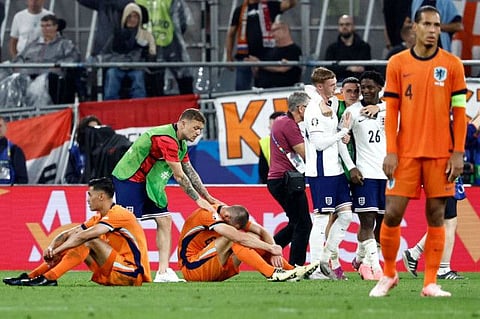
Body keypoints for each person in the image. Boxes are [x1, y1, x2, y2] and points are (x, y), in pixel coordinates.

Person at [369, 6, 467, 297]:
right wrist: (391, 151)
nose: (433, 30)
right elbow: (392, 110)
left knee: (437, 216)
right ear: (415, 28)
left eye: (437, 25)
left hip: (440, 155)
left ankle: (430, 283)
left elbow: (459, 114)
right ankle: (388, 274)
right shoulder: (397, 63)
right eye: (427, 24)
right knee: (392, 215)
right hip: (407, 154)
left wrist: (458, 152)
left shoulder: (453, 65)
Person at [112, 108, 222, 283]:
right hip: (129, 178)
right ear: (183, 124)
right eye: (195, 128)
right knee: (126, 225)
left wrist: (208, 197)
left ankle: (162, 272)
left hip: (148, 181)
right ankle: (120, 266)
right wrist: (197, 200)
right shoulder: (167, 139)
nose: (198, 133)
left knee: (165, 220)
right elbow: (179, 176)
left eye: (200, 129)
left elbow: (190, 172)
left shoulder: (181, 144)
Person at [3, 177, 151, 286]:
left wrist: (56, 251)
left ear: (101, 196)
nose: (87, 199)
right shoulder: (100, 217)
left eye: (89, 195)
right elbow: (67, 234)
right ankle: (32, 277)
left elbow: (84, 236)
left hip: (132, 273)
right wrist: (52, 248)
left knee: (86, 240)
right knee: (76, 239)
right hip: (116, 269)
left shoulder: (119, 214)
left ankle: (49, 278)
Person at [303, 67, 356, 280]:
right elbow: (317, 144)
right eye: (332, 85)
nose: (337, 88)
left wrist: (350, 165)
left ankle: (325, 259)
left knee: (345, 215)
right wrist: (342, 133)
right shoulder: (313, 109)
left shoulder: (330, 105)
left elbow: (334, 137)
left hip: (335, 169)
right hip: (321, 171)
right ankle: (315, 267)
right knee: (322, 218)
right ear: (320, 87)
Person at [177, 204, 319, 281]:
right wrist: (270, 248)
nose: (235, 229)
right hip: (192, 268)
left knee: (251, 236)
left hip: (213, 266)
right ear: (226, 217)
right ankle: (272, 273)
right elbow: (238, 237)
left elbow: (262, 231)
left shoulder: (228, 215)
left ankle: (291, 270)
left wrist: (275, 251)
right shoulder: (208, 214)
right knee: (234, 238)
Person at [341, 71, 387, 280]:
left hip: (387, 175)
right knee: (367, 222)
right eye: (363, 87)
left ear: (380, 87)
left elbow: (406, 107)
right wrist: (351, 167)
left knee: (382, 224)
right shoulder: (352, 111)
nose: (366, 91)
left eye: (370, 87)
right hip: (365, 174)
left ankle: (360, 259)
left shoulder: (390, 109)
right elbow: (340, 140)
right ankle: (375, 268)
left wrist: (381, 107)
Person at [267, 91, 312, 266]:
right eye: (309, 107)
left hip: (278, 180)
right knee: (303, 224)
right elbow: (305, 154)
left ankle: (267, 251)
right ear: (301, 108)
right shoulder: (290, 125)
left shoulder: (280, 122)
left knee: (295, 223)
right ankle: (297, 265)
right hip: (287, 181)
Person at [225, 0, 297, 91]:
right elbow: (231, 34)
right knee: (242, 90)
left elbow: (289, 4)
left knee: (266, 87)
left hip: (267, 57)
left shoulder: (270, 5)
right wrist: (228, 57)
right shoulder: (239, 10)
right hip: (245, 57)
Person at [12, 14, 82, 104]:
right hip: (28, 75)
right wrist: (18, 67)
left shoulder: (64, 44)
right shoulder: (33, 44)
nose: (45, 29)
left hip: (49, 77)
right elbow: (20, 57)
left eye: (48, 26)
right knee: (10, 80)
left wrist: (57, 66)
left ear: (56, 27)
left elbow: (73, 58)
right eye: (42, 26)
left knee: (40, 86)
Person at [136, 0, 194, 95]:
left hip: (145, 46)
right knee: (183, 78)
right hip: (170, 44)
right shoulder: (172, 1)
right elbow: (182, 22)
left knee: (153, 83)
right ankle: (188, 107)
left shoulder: (138, 1)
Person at [102, 3, 156, 100]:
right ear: (125, 18)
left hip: (137, 67)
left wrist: (145, 51)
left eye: (135, 16)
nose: (132, 19)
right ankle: (110, 104)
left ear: (139, 19)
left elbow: (152, 54)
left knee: (138, 76)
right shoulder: (116, 35)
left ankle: (139, 104)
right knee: (112, 74)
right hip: (118, 66)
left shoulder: (147, 35)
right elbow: (106, 53)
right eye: (129, 16)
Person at [403, 197, 464, 280]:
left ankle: (414, 253)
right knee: (449, 222)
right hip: (445, 185)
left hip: (445, 186)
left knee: (448, 222)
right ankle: (443, 269)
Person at [245, 22, 302, 88]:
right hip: (261, 91)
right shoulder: (268, 51)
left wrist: (260, 64)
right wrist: (254, 65)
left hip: (282, 91)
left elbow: (282, 68)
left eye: (274, 30)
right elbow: (258, 73)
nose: (272, 34)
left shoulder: (294, 50)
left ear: (285, 30)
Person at [324, 15, 372, 82]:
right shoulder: (332, 48)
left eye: (347, 24)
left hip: (359, 83)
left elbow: (366, 67)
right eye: (341, 25)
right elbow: (329, 68)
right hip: (338, 84)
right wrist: (349, 68)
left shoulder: (364, 47)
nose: (344, 27)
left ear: (353, 26)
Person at [64, 115, 102, 184]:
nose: (94, 132)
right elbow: (69, 176)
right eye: (90, 129)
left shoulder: (104, 151)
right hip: (81, 190)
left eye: (96, 129)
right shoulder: (75, 151)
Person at [258, 111, 285, 184]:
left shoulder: (293, 139)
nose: (269, 127)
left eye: (271, 124)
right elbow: (263, 169)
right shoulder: (264, 142)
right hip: (273, 181)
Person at [0, 116, 28, 184]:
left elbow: (22, 180)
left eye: (0, 126)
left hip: (7, 193)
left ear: (6, 127)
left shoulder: (14, 151)